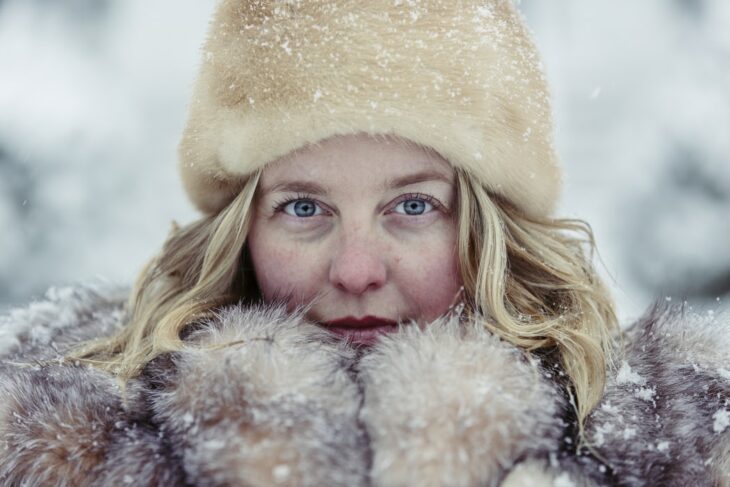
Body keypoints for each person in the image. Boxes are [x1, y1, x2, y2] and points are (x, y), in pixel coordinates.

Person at [1, 0, 727, 485]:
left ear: (490, 225)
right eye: (304, 206)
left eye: (413, 204)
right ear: (240, 228)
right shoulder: (63, 444)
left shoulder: (674, 440)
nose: (355, 269)